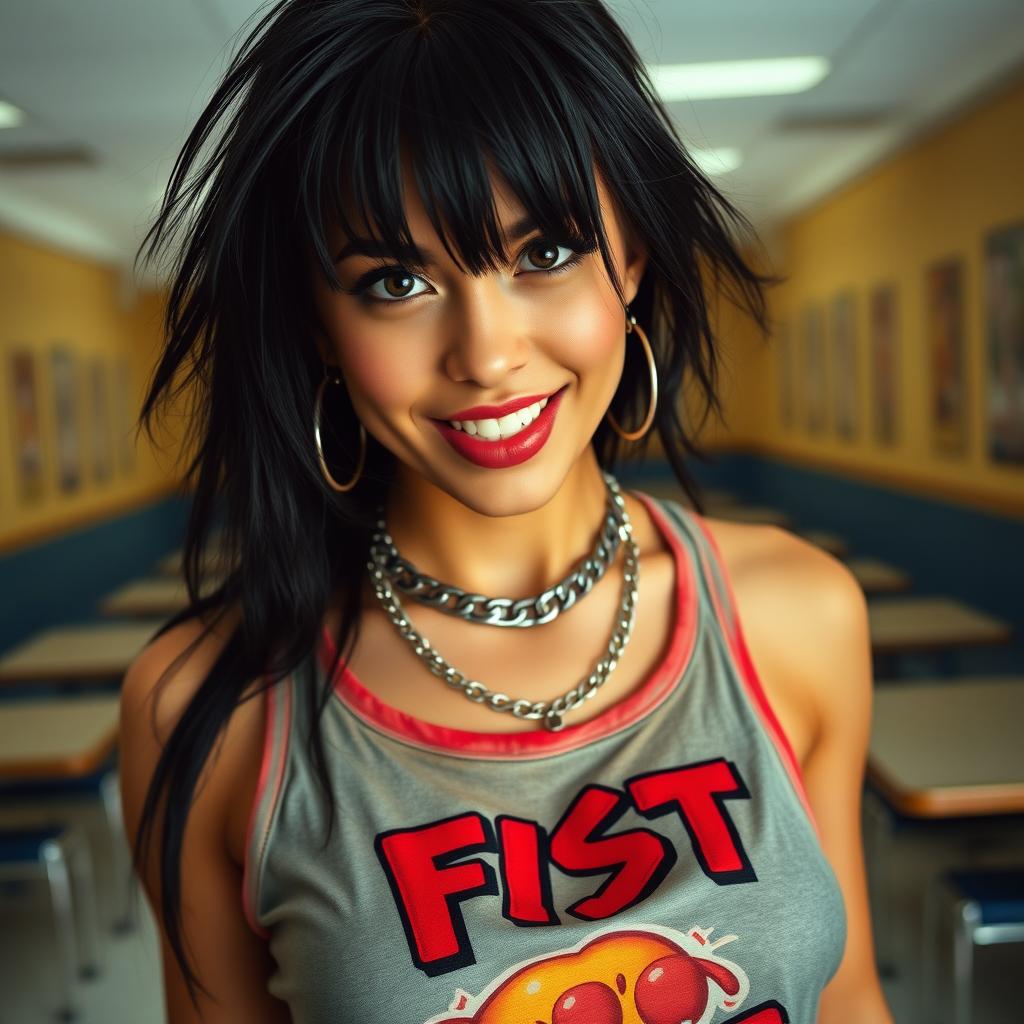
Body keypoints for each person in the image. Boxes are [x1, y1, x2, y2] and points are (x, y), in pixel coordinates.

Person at [118, 1, 894, 1021]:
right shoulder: (210, 711)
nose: (485, 355)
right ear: (315, 324)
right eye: (395, 280)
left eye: (544, 254)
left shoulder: (797, 612)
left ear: (632, 262)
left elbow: (844, 998)